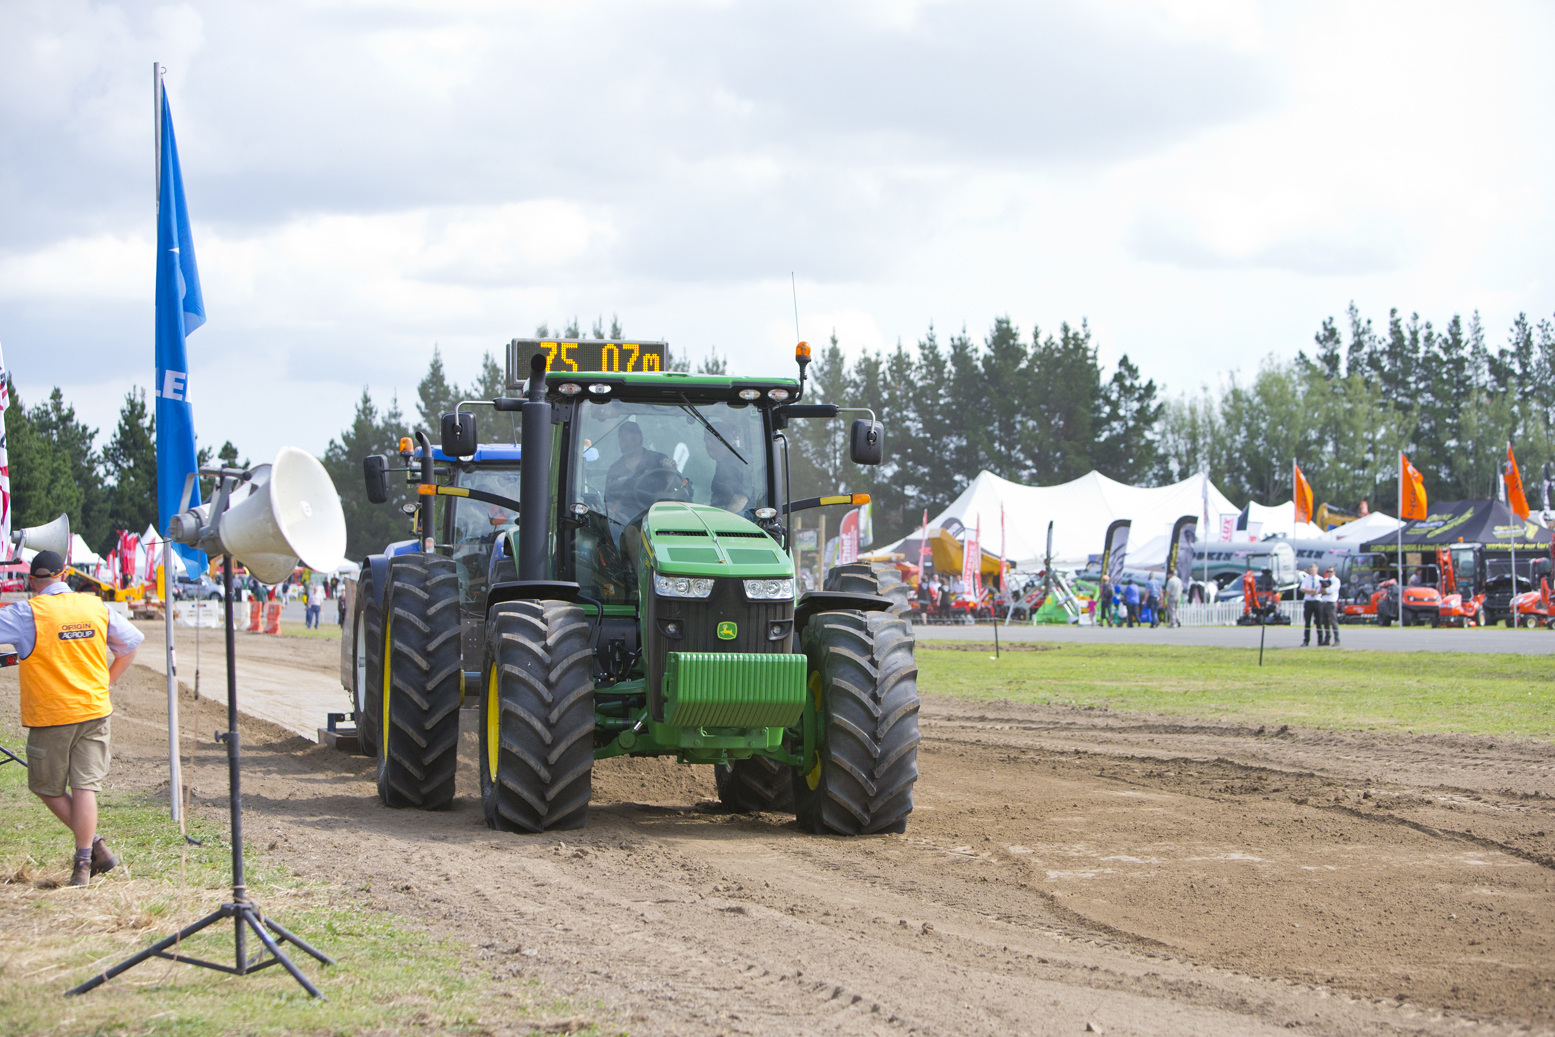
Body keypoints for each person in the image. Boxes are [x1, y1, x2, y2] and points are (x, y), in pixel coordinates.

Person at [0, 551, 143, 886]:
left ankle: (95, 847)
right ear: (64, 574)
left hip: (52, 714)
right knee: (84, 787)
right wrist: (107, 682)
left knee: (45, 787)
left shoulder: (27, 612)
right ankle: (84, 863)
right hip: (94, 709)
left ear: (32, 581)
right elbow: (131, 644)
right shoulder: (94, 605)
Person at [704, 423, 752, 513]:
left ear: (725, 442)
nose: (708, 446)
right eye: (705, 441)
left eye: (711, 441)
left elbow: (740, 500)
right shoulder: (722, 461)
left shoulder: (739, 459)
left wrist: (720, 521)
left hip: (739, 517)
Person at [1298, 563, 1321, 647]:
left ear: (1317, 570)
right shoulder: (1306, 579)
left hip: (1317, 601)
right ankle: (1306, 640)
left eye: (1314, 570)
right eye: (1311, 570)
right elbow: (1303, 589)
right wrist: (1312, 590)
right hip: (1308, 601)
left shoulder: (1320, 579)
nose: (1312, 571)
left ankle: (1320, 640)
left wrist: (1313, 591)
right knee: (1307, 621)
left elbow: (1319, 590)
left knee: (1318, 621)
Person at [1319, 565, 1342, 647]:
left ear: (1334, 572)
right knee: (1325, 622)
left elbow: (1330, 590)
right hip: (1324, 602)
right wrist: (1323, 591)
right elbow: (1319, 590)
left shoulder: (1336, 581)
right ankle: (1327, 639)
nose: (1329, 573)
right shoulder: (1325, 580)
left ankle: (1337, 639)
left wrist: (1324, 590)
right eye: (1328, 571)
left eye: (1331, 571)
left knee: (1333, 621)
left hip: (1331, 602)